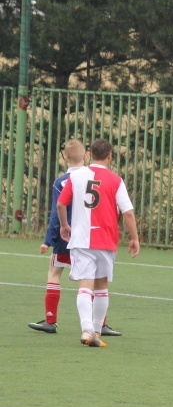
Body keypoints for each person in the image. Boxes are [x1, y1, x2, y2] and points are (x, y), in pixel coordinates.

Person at [28, 139, 120, 337]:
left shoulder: (62, 181)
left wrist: (48, 240)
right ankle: (100, 325)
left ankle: (50, 320)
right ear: (85, 156)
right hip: (92, 236)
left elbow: (57, 211)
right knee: (97, 280)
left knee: (54, 273)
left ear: (64, 157)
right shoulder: (96, 177)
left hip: (67, 236)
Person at [57, 138, 140, 348]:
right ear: (110, 156)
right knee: (102, 287)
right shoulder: (115, 180)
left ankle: (87, 330)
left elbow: (60, 203)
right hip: (105, 240)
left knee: (85, 286)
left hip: (81, 239)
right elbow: (128, 213)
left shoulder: (75, 177)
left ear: (89, 154)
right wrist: (134, 238)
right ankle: (95, 330)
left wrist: (65, 225)